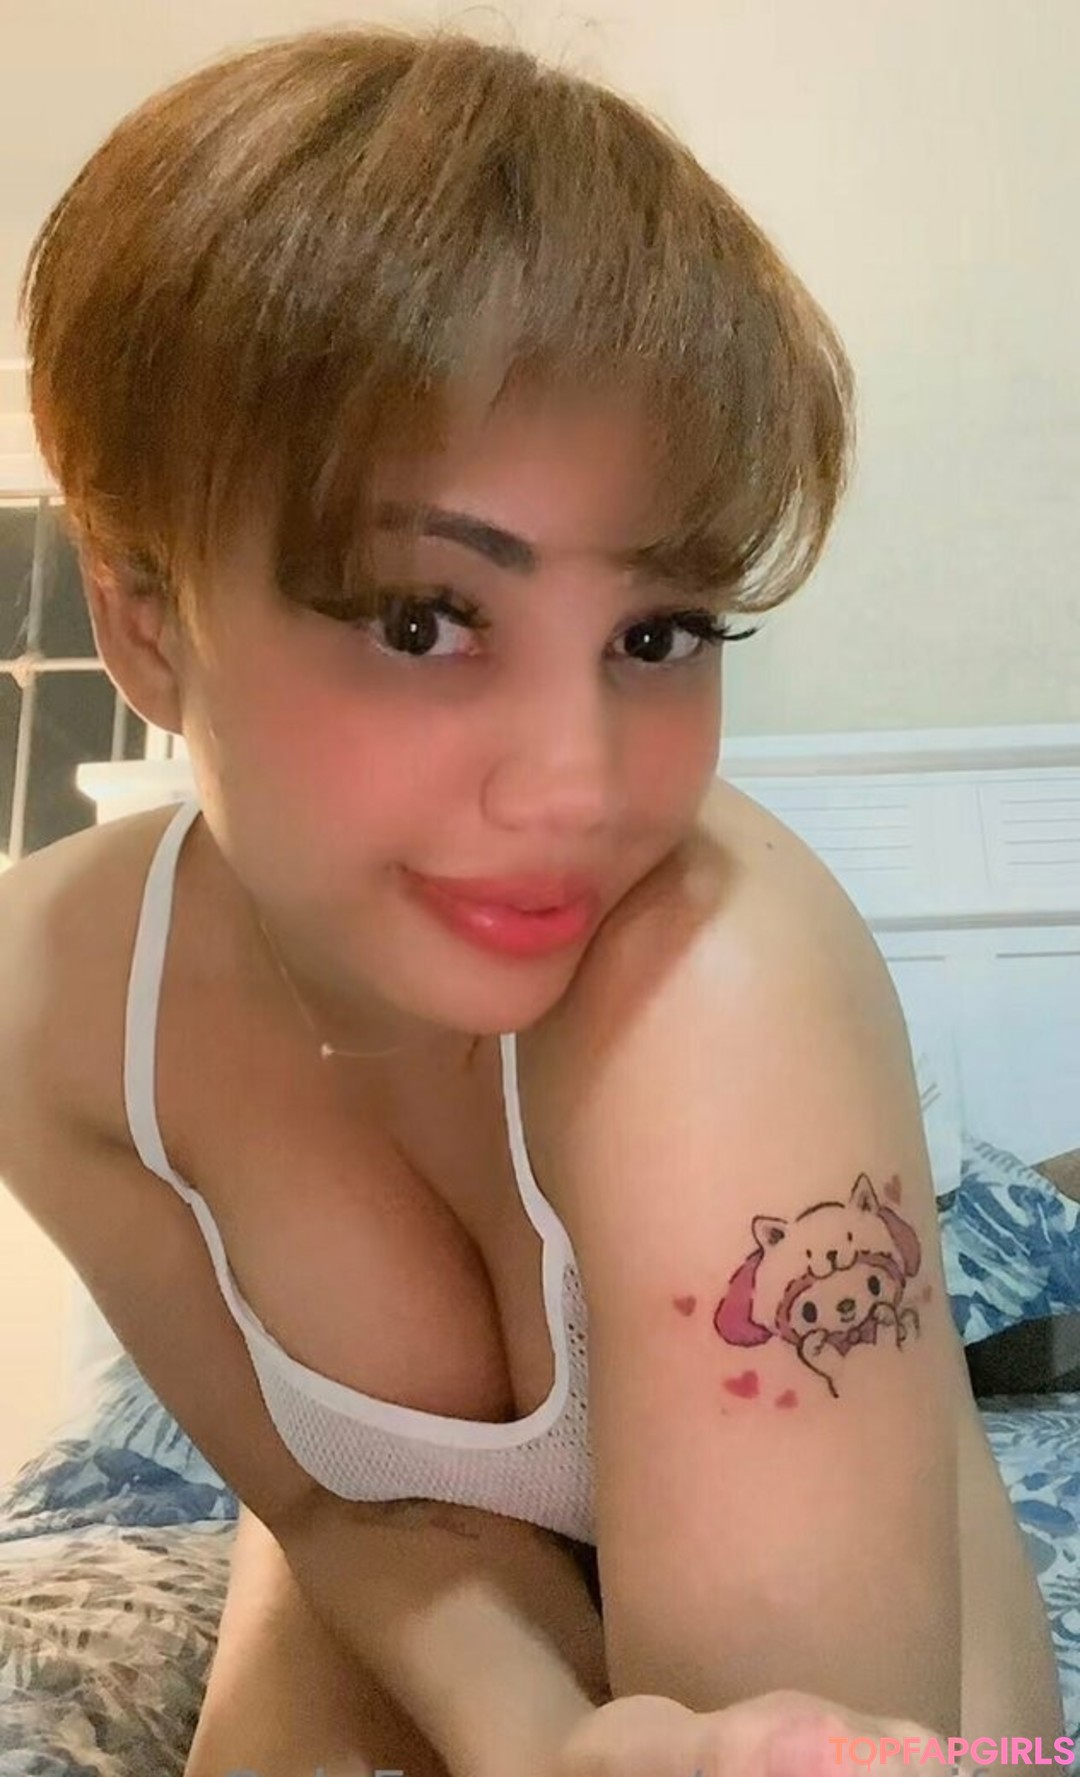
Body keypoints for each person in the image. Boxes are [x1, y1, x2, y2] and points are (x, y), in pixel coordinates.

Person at [0, 22, 1064, 1777]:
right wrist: (542, 1740)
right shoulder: (55, 1012)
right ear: (142, 617)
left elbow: (793, 1744)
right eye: (422, 618)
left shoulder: (718, 989)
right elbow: (331, 1511)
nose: (580, 787)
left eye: (660, 630)